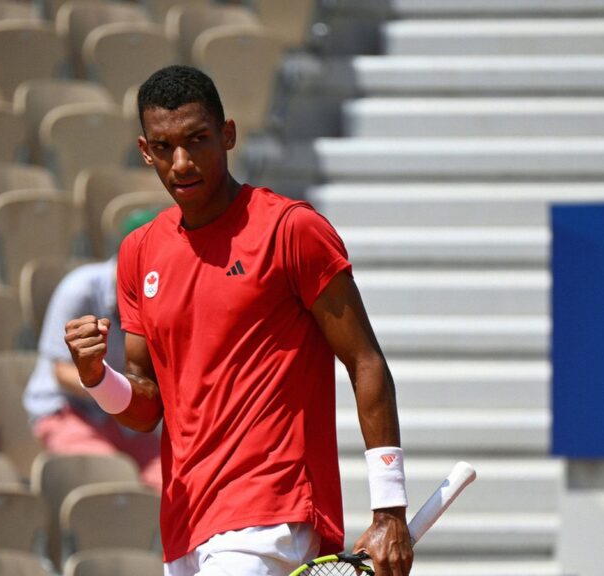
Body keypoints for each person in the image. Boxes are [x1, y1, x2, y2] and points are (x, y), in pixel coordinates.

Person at [64, 65, 413, 576]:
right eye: (164, 148)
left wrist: (390, 509)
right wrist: (96, 378)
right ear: (145, 151)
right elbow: (145, 407)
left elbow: (365, 361)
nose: (181, 163)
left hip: (272, 513)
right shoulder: (138, 253)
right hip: (185, 524)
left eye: (197, 140)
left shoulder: (293, 230)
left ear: (227, 135)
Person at [24, 210, 162, 489]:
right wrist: (109, 389)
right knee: (114, 480)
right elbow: (60, 371)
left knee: (176, 482)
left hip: (125, 419)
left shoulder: (158, 297)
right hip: (68, 411)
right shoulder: (80, 289)